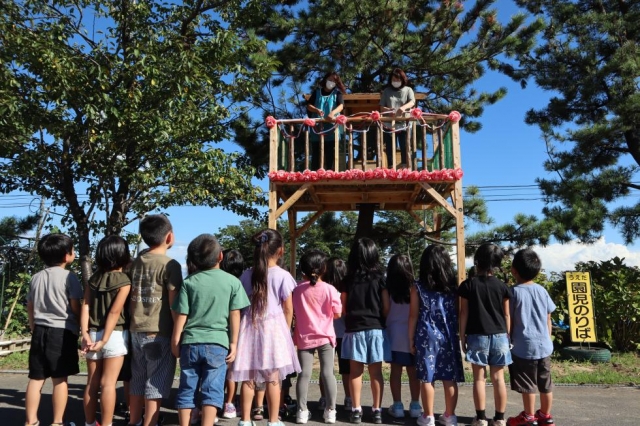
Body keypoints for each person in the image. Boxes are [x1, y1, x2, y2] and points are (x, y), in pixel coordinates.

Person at [171, 234, 250, 426]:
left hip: (190, 343)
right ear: (220, 256)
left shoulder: (189, 282)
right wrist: (233, 343)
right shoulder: (232, 282)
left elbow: (181, 316)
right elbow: (235, 315)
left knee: (187, 388)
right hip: (218, 344)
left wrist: (175, 342)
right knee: (212, 390)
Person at [229, 229, 301, 426]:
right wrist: (286, 334)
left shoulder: (246, 275)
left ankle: (244, 420)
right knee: (273, 377)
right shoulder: (283, 276)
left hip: (249, 327)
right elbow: (288, 309)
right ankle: (274, 420)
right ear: (280, 251)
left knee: (248, 376)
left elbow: (240, 304)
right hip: (274, 331)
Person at [128, 214, 184, 426]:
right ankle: (150, 423)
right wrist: (178, 334)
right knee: (156, 381)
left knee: (138, 379)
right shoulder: (171, 265)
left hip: (136, 329)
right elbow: (174, 304)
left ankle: (133, 421)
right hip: (158, 332)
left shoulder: (136, 262)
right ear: (169, 237)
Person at [25, 233, 83, 426]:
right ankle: (57, 422)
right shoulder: (70, 277)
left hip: (40, 330)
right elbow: (76, 305)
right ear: (67, 255)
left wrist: (33, 326)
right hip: (62, 332)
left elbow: (30, 306)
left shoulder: (36, 277)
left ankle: (31, 421)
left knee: (36, 378)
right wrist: (80, 322)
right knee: (59, 379)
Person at [409, 245, 465, 426]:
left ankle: (428, 416)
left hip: (426, 335)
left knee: (427, 376)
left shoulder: (418, 287)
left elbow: (413, 315)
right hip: (448, 335)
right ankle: (450, 416)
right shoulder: (453, 288)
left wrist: (411, 339)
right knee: (449, 377)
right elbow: (456, 311)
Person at [80, 235, 132, 426]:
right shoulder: (124, 281)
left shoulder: (93, 279)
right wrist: (105, 340)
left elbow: (85, 306)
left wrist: (84, 333)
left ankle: (90, 422)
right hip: (114, 336)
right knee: (108, 384)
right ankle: (107, 423)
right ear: (123, 255)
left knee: (91, 384)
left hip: (92, 333)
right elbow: (115, 312)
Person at [459, 243, 512, 426]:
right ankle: (499, 418)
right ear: (497, 263)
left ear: (477, 261)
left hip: (477, 335)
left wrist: (462, 335)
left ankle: (480, 418)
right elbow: (506, 314)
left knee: (479, 378)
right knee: (499, 378)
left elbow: (463, 313)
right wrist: (508, 334)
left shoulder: (468, 285)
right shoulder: (503, 287)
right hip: (500, 335)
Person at [341, 238, 391, 424]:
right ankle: (377, 411)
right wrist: (380, 318)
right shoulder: (380, 279)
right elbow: (386, 306)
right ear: (373, 255)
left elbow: (343, 307)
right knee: (376, 373)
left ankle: (356, 410)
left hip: (354, 329)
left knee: (355, 373)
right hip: (376, 328)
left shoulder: (347, 280)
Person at [506, 248, 556, 426]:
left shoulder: (512, 293)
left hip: (523, 346)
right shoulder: (542, 290)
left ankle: (528, 416)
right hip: (544, 345)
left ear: (514, 270)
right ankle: (546, 415)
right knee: (545, 383)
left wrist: (508, 340)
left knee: (528, 384)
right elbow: (548, 316)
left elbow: (509, 319)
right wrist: (547, 337)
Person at [292, 250, 342, 424]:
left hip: (304, 337)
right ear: (323, 268)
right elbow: (337, 314)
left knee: (304, 374)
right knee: (328, 373)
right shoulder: (330, 289)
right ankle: (330, 411)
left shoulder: (297, 290)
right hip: (326, 337)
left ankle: (302, 411)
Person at [385, 254, 421, 419]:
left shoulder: (388, 289)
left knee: (395, 372)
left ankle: (397, 405)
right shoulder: (415, 288)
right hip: (412, 335)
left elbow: (385, 311)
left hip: (394, 335)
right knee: (413, 373)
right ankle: (415, 405)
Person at [219, 249, 246, 420]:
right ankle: (230, 402)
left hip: (221, 330)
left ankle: (221, 402)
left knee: (221, 369)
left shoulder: (220, 280)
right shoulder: (241, 282)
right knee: (233, 369)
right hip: (239, 330)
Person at [323, 257, 352, 411]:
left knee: (326, 369)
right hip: (344, 334)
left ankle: (324, 398)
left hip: (326, 334)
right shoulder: (346, 290)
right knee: (346, 369)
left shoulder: (324, 289)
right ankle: (348, 398)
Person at [306, 71, 347, 171]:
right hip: (317, 129)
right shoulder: (317, 92)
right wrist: (316, 110)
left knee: (330, 152)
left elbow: (341, 106)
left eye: (334, 81)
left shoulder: (337, 94)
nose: (331, 82)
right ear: (325, 80)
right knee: (316, 152)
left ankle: (330, 172)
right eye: (330, 80)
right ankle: (314, 172)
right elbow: (309, 106)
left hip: (332, 129)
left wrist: (332, 113)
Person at [380, 68, 415, 168]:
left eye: (398, 80)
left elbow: (412, 102)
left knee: (405, 145)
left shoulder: (408, 90)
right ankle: (391, 167)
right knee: (390, 146)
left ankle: (405, 166)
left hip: (404, 123)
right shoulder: (386, 91)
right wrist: (389, 110)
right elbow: (382, 107)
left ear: (402, 79)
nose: (395, 82)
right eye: (393, 80)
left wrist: (403, 108)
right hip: (389, 124)